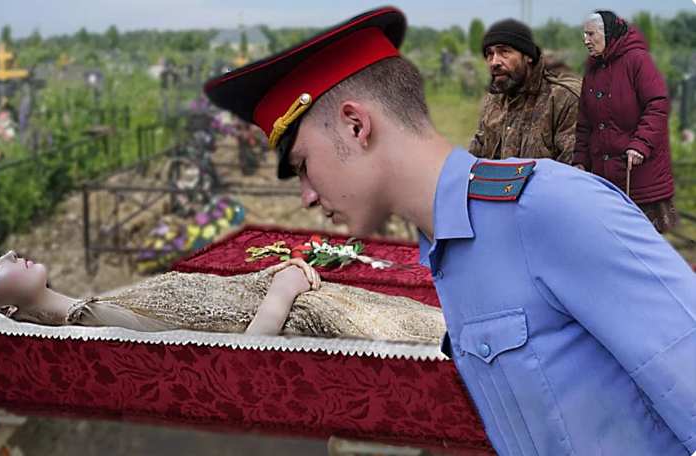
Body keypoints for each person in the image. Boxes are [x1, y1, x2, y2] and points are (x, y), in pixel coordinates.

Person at [203, 7, 696, 456]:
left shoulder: (552, 208)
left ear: (355, 126)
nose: (307, 196)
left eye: (304, 165)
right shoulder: (448, 249)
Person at [0, 250, 446, 345]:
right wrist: (282, 288)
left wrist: (268, 278)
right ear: (4, 311)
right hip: (317, 317)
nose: (10, 253)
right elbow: (239, 352)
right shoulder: (96, 320)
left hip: (316, 302)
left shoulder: (94, 306)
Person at [573, 11, 679, 234]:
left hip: (640, 175)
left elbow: (657, 104)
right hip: (604, 176)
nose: (585, 40)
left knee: (645, 242)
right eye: (584, 34)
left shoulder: (637, 60)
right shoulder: (592, 71)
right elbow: (584, 124)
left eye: (591, 34)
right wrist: (580, 160)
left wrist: (641, 144)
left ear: (608, 35)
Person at [469, 19, 581, 164]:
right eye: (490, 54)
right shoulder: (494, 99)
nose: (495, 62)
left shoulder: (563, 100)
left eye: (504, 52)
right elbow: (475, 158)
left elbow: (571, 170)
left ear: (528, 56)